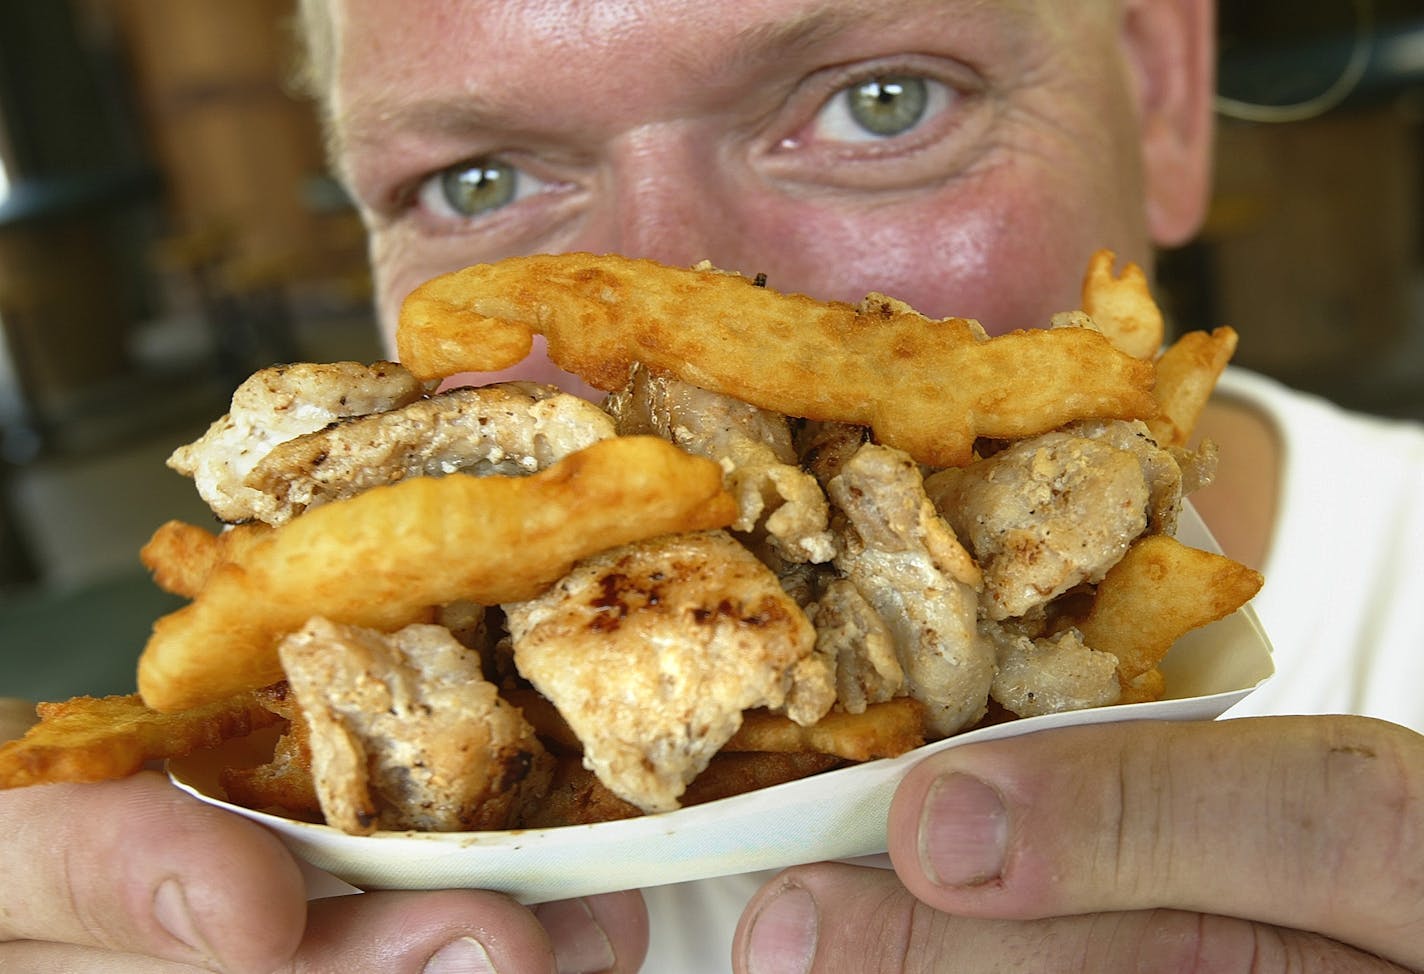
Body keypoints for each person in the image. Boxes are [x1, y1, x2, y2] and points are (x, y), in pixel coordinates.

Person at [2, 0, 1422, 970]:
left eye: (882, 101)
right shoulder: (329, 782)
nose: (680, 303)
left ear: (1163, 95)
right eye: (480, 183)